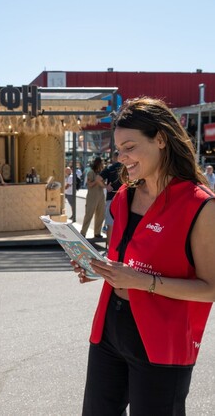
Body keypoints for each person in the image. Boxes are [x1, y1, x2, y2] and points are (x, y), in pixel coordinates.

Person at [73, 97, 215, 415]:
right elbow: (124, 262)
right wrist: (97, 268)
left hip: (163, 340)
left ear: (161, 139)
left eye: (130, 147)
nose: (122, 158)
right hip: (110, 328)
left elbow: (210, 288)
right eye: (119, 149)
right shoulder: (124, 197)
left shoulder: (200, 205)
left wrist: (140, 281)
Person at [99, 150, 122, 245]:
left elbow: (98, 179)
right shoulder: (126, 168)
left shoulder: (109, 168)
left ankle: (109, 249)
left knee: (110, 224)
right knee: (122, 224)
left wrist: (106, 187)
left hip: (111, 198)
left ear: (113, 158)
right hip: (123, 198)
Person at [80, 157, 105, 239]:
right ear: (98, 163)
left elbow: (103, 185)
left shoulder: (102, 173)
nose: (103, 164)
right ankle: (83, 233)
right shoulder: (91, 172)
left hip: (101, 196)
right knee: (89, 214)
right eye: (102, 163)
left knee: (100, 215)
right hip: (92, 196)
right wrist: (96, 181)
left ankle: (97, 233)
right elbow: (89, 184)